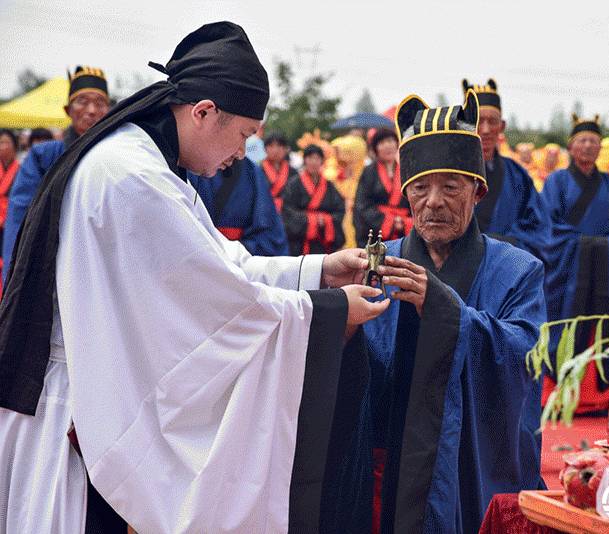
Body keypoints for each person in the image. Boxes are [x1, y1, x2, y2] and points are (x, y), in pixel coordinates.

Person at [0, 22, 389, 533]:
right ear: (204, 112)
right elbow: (217, 299)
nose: (240, 155)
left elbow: (225, 265)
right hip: (80, 411)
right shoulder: (132, 176)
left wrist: (316, 269)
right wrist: (330, 312)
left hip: (97, 395)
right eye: (245, 136)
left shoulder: (152, 164)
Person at [325, 90, 547, 534]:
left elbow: (526, 356)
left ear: (478, 191)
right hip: (387, 462)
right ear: (405, 193)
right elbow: (348, 366)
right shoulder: (376, 264)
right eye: (421, 188)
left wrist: (444, 310)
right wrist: (339, 327)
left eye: (451, 187)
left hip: (469, 459)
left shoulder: (518, 270)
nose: (434, 202)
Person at [541, 114, 609, 413]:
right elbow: (547, 226)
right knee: (564, 324)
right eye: (582, 140)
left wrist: (608, 245)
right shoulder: (556, 182)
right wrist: (584, 245)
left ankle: (597, 395)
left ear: (600, 149)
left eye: (593, 141)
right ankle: (560, 393)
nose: (587, 146)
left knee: (604, 325)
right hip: (568, 271)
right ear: (571, 147)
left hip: (604, 272)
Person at [2, 65, 110, 282]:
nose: (91, 110)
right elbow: (20, 218)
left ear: (109, 110)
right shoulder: (43, 157)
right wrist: (14, 278)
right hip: (52, 266)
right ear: (67, 110)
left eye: (100, 103)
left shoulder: (117, 156)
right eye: (82, 101)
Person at [461, 78, 550, 260]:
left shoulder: (518, 175)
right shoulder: (450, 171)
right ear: (466, 125)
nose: (485, 129)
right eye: (478, 121)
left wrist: (506, 244)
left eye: (492, 121)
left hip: (508, 267)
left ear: (502, 126)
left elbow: (538, 228)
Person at [188, 156, 289, 256]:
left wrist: (240, 250)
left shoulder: (252, 172)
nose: (241, 151)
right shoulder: (189, 169)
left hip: (242, 257)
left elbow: (269, 230)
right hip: (198, 253)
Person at [282, 144, 346, 256]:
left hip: (323, 239)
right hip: (300, 241)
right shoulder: (294, 184)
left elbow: (339, 209)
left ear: (322, 161)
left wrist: (326, 220)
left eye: (317, 158)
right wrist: (312, 220)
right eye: (310, 158)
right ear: (305, 160)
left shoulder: (329, 185)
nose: (313, 162)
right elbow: (288, 210)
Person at [353, 127, 411, 247]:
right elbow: (362, 205)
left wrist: (405, 222)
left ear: (397, 144)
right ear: (376, 149)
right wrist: (390, 222)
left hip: (405, 230)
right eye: (382, 143)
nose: (387, 146)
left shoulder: (407, 170)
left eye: (390, 141)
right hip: (375, 232)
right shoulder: (369, 172)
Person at [261, 131, 297, 212]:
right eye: (271, 146)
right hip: (263, 212)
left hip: (288, 214)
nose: (275, 150)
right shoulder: (257, 171)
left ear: (286, 149)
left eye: (279, 146)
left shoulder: (294, 172)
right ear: (265, 149)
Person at [0, 130, 19, 269]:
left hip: (11, 219)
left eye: (6, 142)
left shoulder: (22, 169)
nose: (3, 146)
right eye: (0, 143)